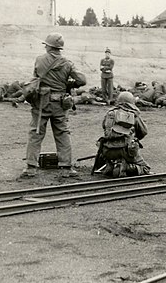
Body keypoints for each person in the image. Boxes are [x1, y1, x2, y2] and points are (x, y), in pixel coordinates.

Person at [19, 33, 86, 179]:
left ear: (48, 46)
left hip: (41, 103)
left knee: (35, 134)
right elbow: (82, 80)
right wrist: (69, 84)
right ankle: (66, 168)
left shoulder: (39, 60)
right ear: (60, 48)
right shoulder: (67, 63)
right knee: (62, 134)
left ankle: (31, 167)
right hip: (60, 104)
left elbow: (35, 78)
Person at [95, 91, 150, 177]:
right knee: (145, 168)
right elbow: (143, 132)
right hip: (127, 150)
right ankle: (126, 167)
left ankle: (111, 165)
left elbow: (105, 128)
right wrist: (134, 138)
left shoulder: (110, 113)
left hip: (107, 150)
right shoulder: (133, 114)